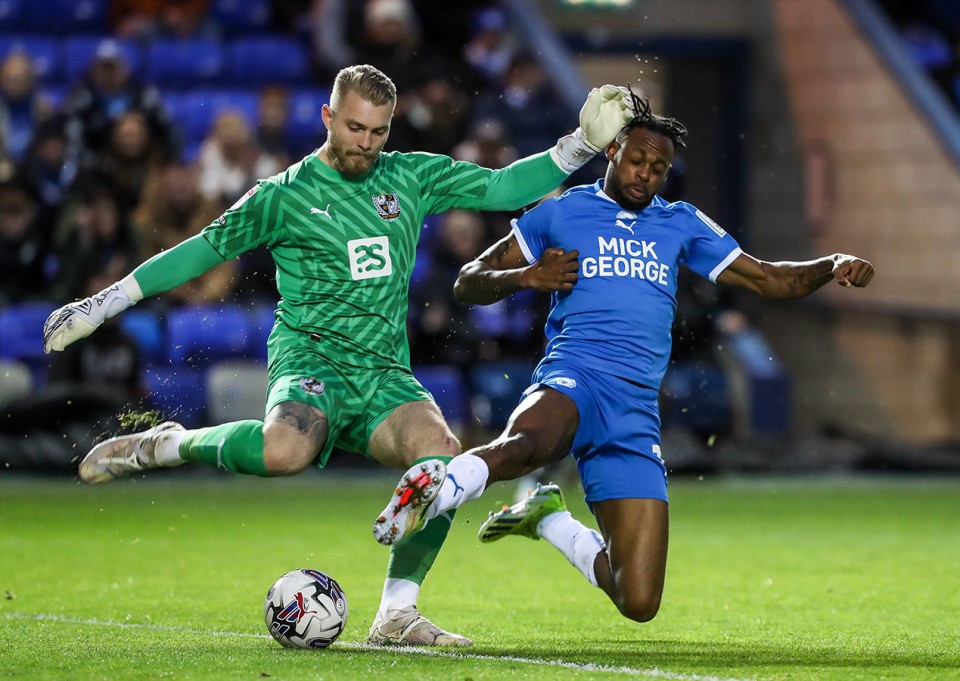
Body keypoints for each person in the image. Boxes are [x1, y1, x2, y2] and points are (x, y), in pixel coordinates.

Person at [41, 65, 637, 646]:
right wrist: (104, 302)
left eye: (379, 132)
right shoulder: (284, 195)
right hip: (312, 361)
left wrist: (582, 143)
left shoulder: (409, 177)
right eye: (355, 128)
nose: (366, 143)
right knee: (283, 451)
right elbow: (201, 250)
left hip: (382, 373)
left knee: (441, 457)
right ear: (329, 116)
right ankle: (165, 444)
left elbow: (505, 187)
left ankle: (397, 615)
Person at [373, 96, 875, 625]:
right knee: (526, 445)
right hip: (575, 375)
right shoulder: (561, 211)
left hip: (635, 410)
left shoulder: (681, 224)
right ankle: (436, 491)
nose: (646, 175)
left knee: (639, 601)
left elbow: (770, 279)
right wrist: (526, 277)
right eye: (638, 160)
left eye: (659, 168)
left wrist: (833, 264)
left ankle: (546, 519)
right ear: (613, 149)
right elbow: (467, 281)